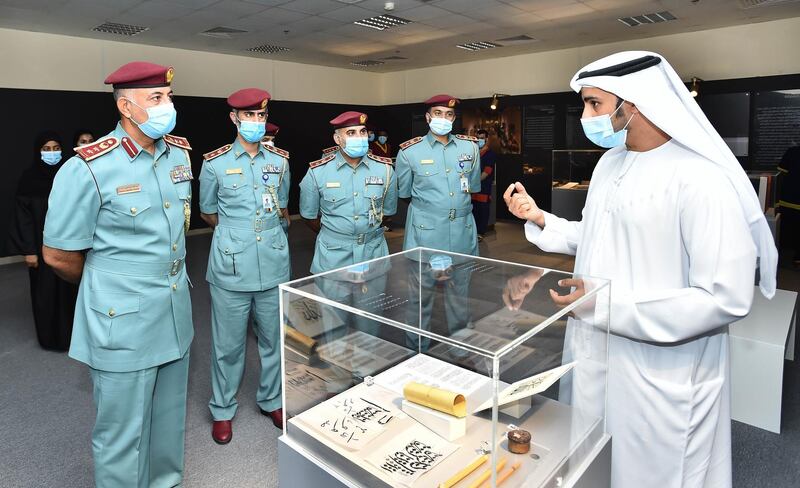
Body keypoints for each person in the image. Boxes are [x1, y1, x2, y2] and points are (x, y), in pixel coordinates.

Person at [504, 51, 777, 488]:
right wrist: (541, 219)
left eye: (595, 104)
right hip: (595, 348)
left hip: (661, 368)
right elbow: (599, 234)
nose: (586, 116)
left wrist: (604, 304)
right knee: (592, 458)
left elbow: (725, 296)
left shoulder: (700, 179)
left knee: (655, 472)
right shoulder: (611, 162)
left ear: (633, 105)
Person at [42, 61, 195, 488]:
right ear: (126, 107)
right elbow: (58, 255)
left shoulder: (178, 153)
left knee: (168, 424)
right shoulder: (88, 167)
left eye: (168, 97)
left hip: (174, 311)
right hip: (122, 320)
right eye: (157, 99)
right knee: (121, 435)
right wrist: (105, 284)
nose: (169, 106)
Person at [199, 88, 290, 443]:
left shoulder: (279, 160)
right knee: (228, 345)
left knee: (274, 340)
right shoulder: (214, 162)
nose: (256, 122)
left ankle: (272, 399)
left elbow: (281, 207)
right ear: (234, 119)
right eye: (249, 116)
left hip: (272, 260)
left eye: (261, 116)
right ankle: (222, 409)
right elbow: (208, 211)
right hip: (231, 266)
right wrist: (235, 234)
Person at [299, 111, 396, 274]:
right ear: (338, 139)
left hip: (373, 252)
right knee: (332, 298)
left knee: (374, 298)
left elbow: (388, 212)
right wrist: (338, 233)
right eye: (351, 133)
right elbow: (309, 216)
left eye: (362, 131)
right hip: (333, 254)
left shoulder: (385, 170)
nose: (359, 137)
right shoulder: (317, 172)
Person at [6, 131, 78, 351]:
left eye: (56, 148)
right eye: (46, 149)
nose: (52, 153)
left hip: (69, 246)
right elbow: (23, 218)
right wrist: (29, 251)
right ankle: (49, 339)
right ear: (38, 151)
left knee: (70, 292)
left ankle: (73, 338)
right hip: (39, 248)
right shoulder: (29, 179)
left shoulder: (69, 175)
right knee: (44, 294)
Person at [471, 129, 496, 241]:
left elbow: (486, 172)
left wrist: (475, 182)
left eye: (482, 137)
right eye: (478, 137)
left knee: (483, 211)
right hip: (473, 189)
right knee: (474, 210)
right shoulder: (474, 152)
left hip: (483, 187)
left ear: (486, 139)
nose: (480, 140)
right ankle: (473, 232)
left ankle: (481, 232)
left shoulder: (490, 154)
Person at [778, 144, 800, 266]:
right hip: (790, 199)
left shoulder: (792, 151)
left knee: (785, 227)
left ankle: (778, 255)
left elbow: (781, 173)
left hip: (789, 198)